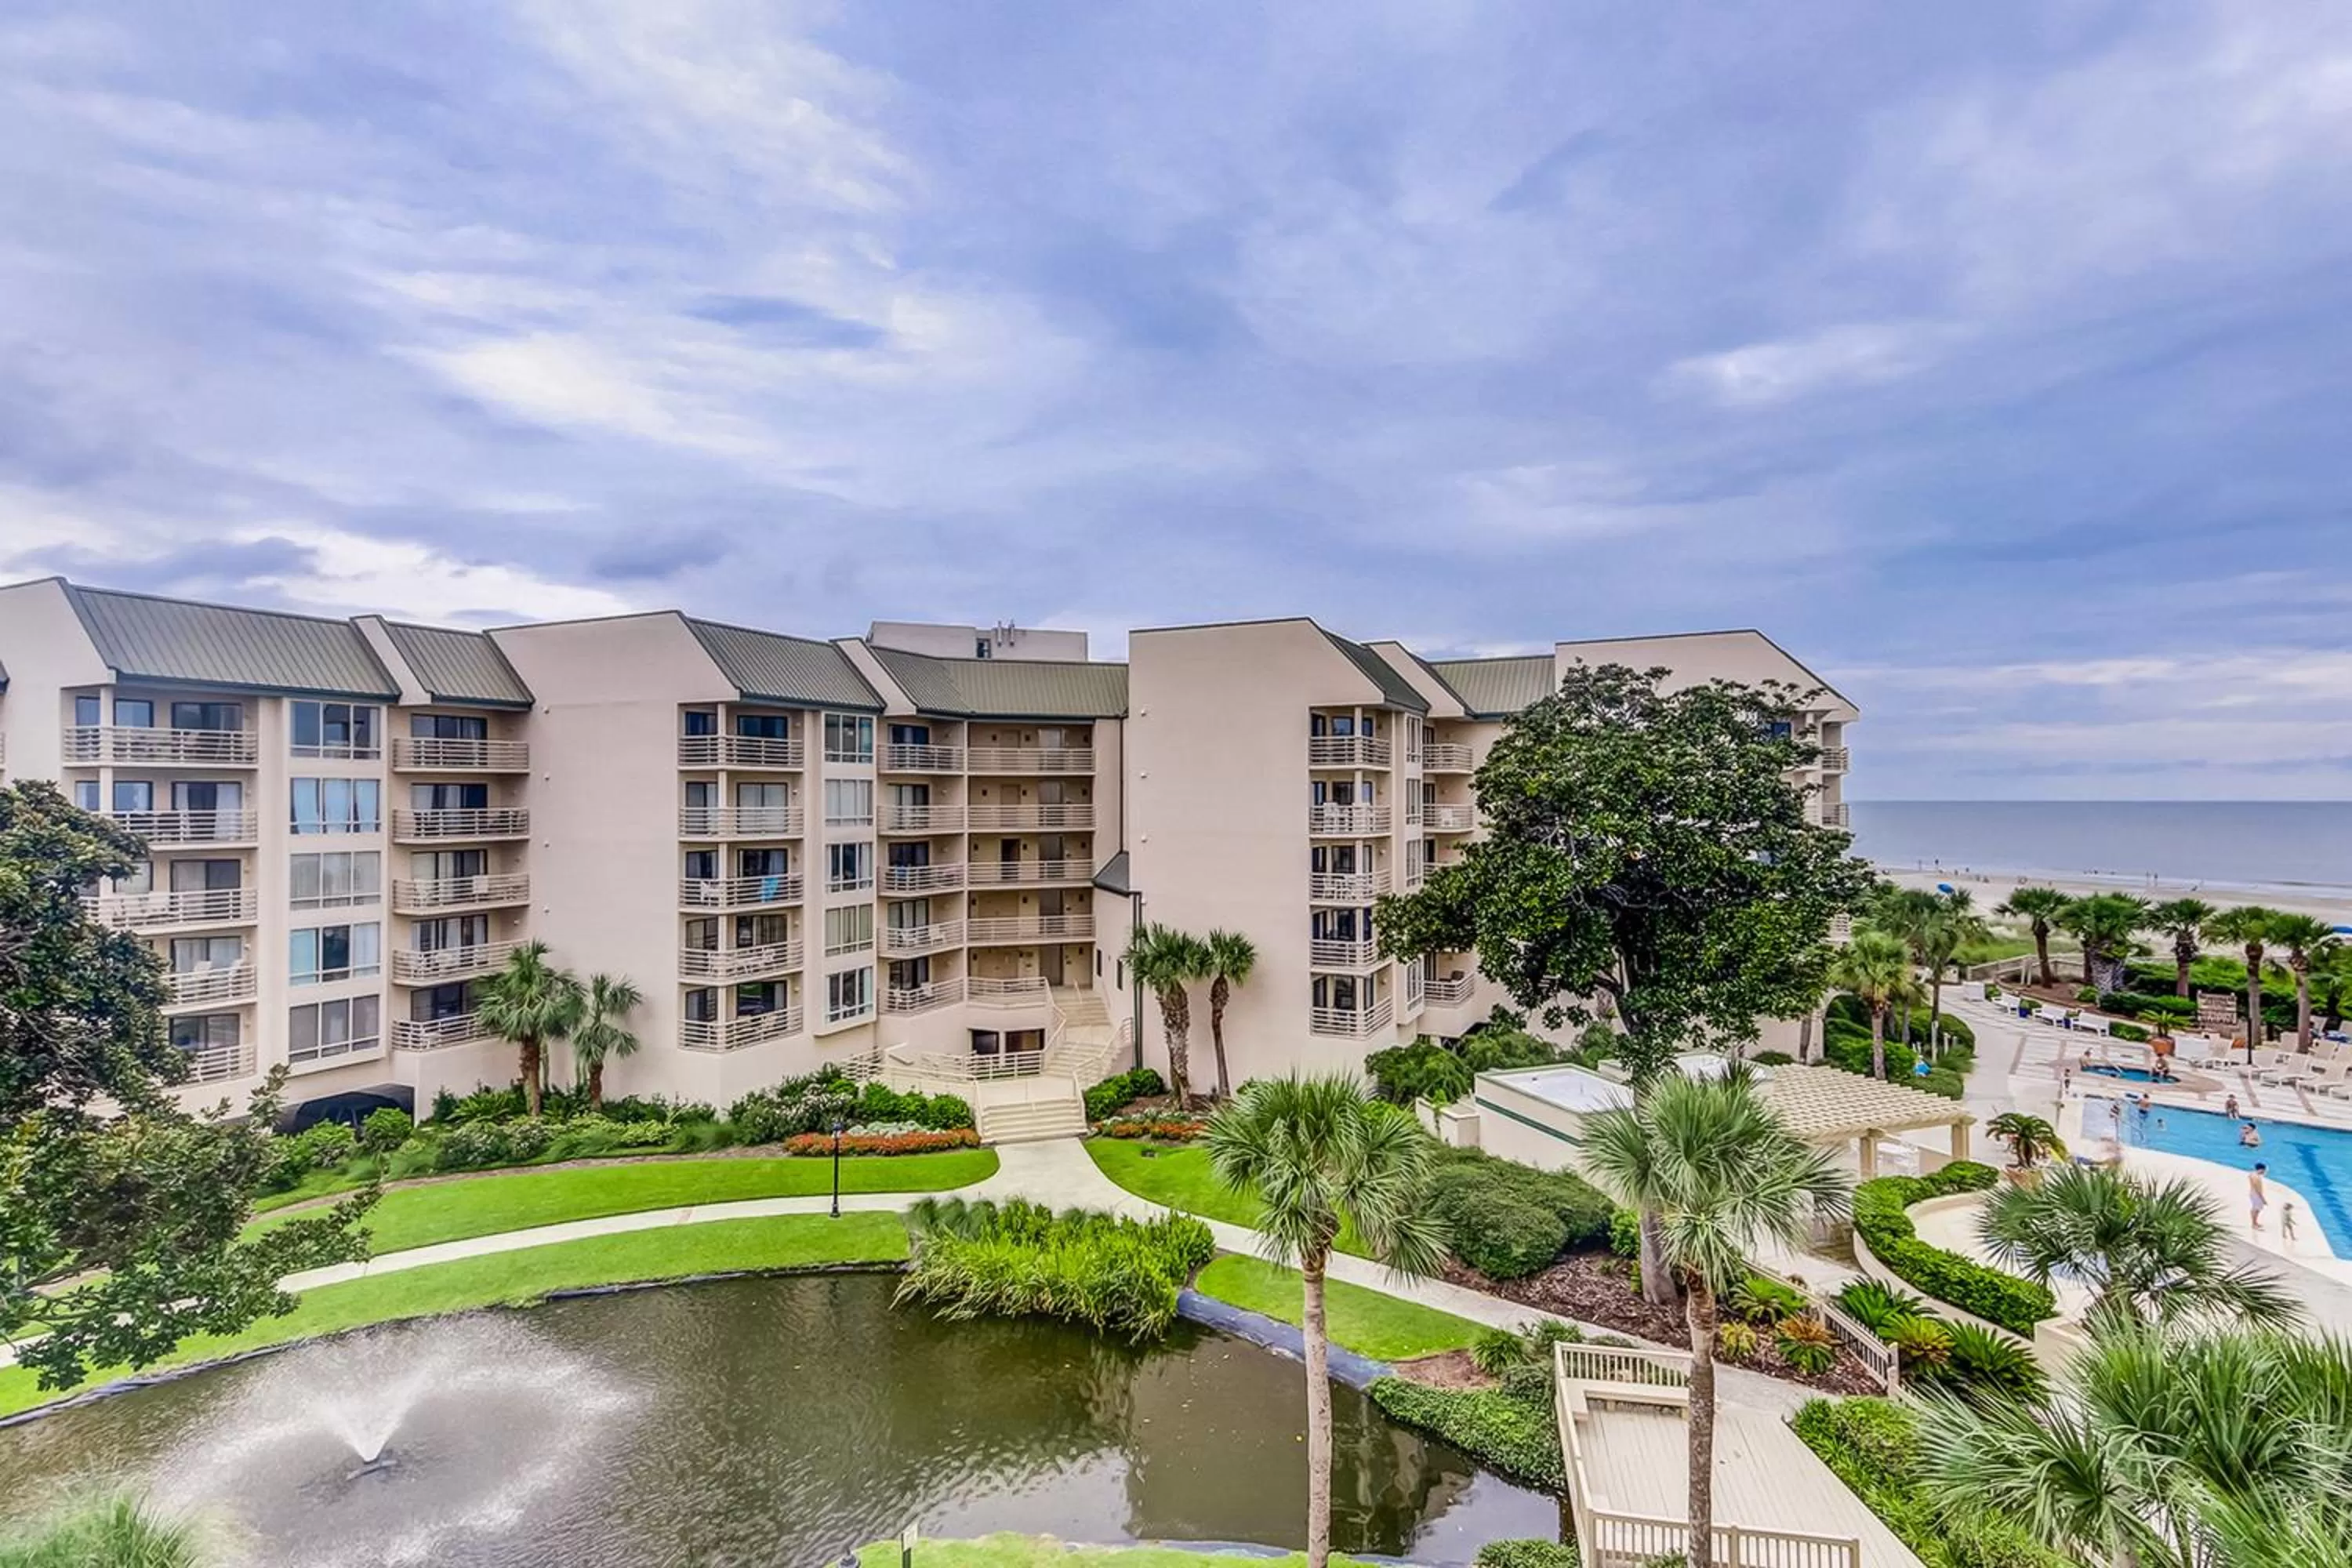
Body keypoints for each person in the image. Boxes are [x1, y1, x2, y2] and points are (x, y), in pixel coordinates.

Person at [2249, 1163, 2268, 1232]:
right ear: (2261, 1169)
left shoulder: (2252, 1174)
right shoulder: (2256, 1178)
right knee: (2257, 1210)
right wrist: (2263, 1199)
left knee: (2255, 1208)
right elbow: (2257, 1190)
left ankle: (2255, 1222)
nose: (2264, 1172)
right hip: (2256, 1195)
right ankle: (2254, 1224)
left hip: (2253, 1193)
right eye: (2264, 1170)